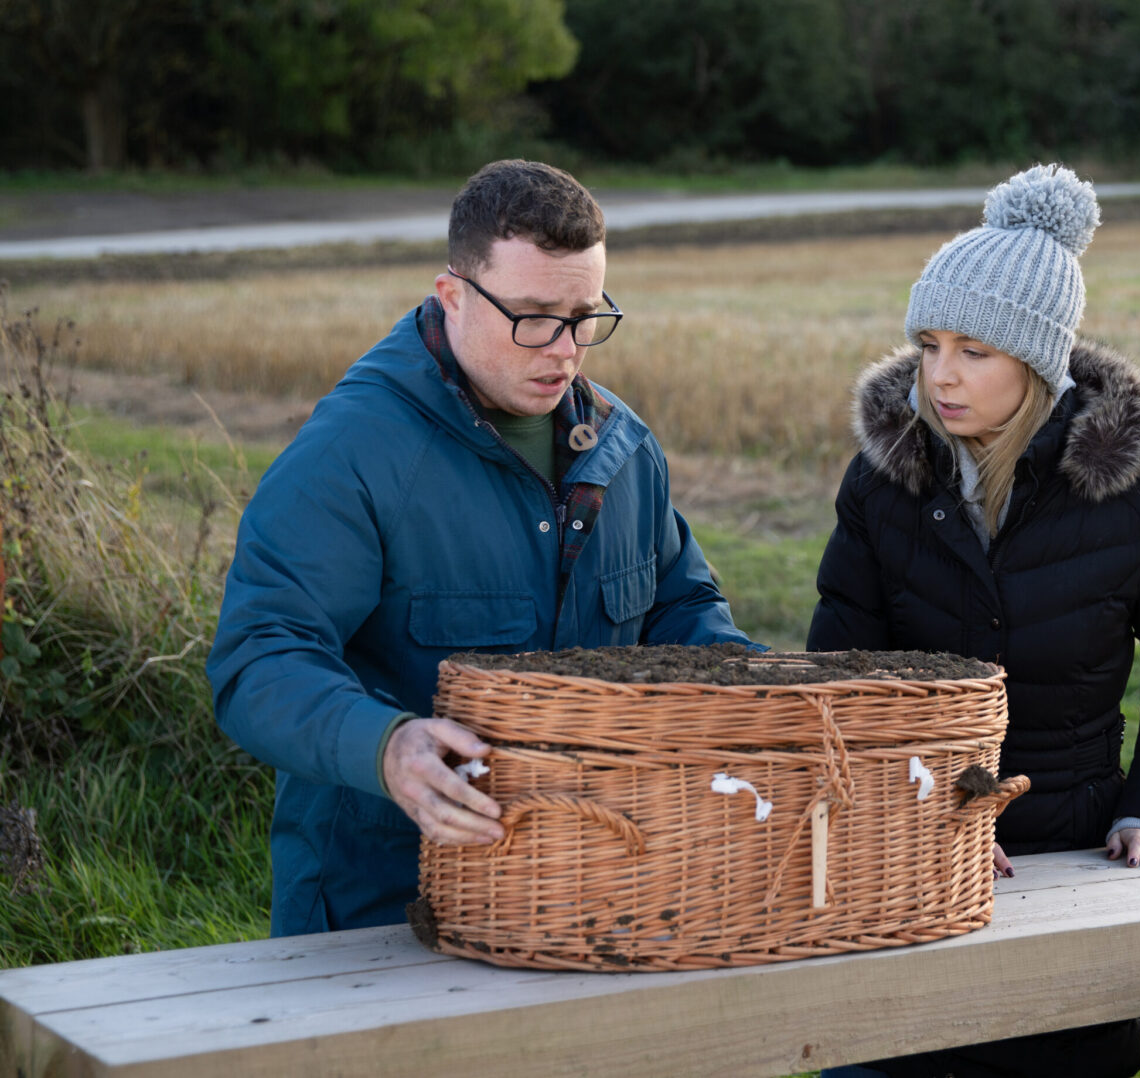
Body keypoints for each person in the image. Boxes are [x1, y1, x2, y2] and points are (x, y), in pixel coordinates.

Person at [207, 159, 755, 938]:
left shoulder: (625, 451)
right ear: (453, 296)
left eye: (585, 316)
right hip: (385, 908)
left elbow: (684, 612)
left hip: (597, 888)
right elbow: (259, 658)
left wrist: (780, 705)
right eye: (534, 316)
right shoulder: (351, 453)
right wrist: (386, 747)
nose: (565, 349)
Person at [807, 165, 1140, 1078]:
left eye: (974, 350)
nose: (941, 374)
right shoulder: (881, 485)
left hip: (1073, 858)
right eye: (930, 343)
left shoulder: (1136, 499)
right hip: (908, 861)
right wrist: (916, 818)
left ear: (1037, 364)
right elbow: (842, 680)